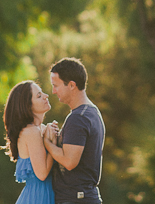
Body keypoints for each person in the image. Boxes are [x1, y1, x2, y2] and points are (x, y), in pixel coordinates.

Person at [44, 57, 105, 204]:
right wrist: (58, 138)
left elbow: (69, 161)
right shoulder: (91, 112)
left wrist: (47, 143)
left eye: (56, 86)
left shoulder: (78, 118)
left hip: (76, 198)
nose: (53, 91)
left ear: (71, 85)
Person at [3, 80, 55, 204]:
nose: (46, 96)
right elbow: (42, 174)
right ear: (28, 106)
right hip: (38, 197)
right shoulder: (31, 132)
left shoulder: (41, 129)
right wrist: (52, 142)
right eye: (39, 96)